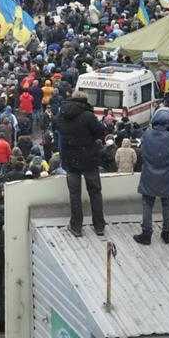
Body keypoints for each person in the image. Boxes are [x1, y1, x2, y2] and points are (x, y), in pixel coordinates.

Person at [54, 89, 107, 236]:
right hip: (89, 159)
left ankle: (76, 227)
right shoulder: (88, 116)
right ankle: (99, 226)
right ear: (85, 101)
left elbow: (56, 125)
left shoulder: (62, 114)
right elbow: (100, 132)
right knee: (95, 192)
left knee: (75, 194)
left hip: (70, 161)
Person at [132, 107, 169, 245]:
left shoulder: (147, 134)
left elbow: (142, 151)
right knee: (167, 205)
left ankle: (146, 234)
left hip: (149, 174)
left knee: (147, 204)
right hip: (167, 176)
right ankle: (167, 233)